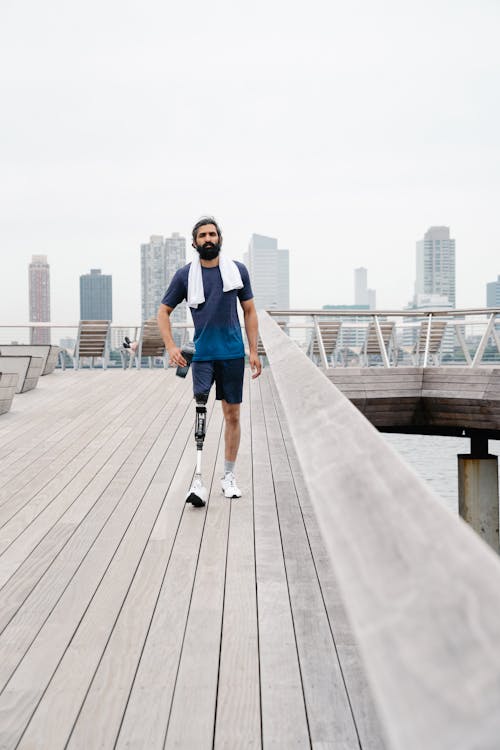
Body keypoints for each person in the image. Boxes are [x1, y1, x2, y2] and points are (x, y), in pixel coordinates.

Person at [158, 216, 262, 500]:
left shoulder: (237, 271)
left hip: (231, 353)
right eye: (202, 235)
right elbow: (163, 312)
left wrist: (253, 350)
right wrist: (170, 347)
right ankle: (198, 479)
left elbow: (250, 311)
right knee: (201, 413)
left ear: (219, 239)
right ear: (194, 242)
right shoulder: (184, 276)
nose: (208, 239)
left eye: (212, 234)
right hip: (202, 356)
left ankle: (228, 476)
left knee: (233, 415)